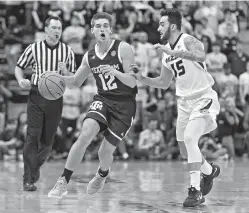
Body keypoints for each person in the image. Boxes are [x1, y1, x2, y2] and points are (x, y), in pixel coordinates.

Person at [130, 8, 220, 207]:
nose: (158, 27)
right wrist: (142, 78)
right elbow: (163, 82)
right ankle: (208, 171)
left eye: (161, 24)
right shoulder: (166, 54)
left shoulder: (187, 40)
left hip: (203, 97)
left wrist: (174, 52)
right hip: (184, 103)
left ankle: (195, 191)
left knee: (190, 139)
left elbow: (201, 55)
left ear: (172, 25)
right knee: (184, 149)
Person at [48, 12, 137, 198]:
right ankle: (63, 181)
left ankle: (102, 174)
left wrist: (115, 72)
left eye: (105, 25)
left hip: (124, 105)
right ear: (92, 31)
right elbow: (75, 82)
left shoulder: (124, 49)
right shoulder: (89, 57)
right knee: (85, 134)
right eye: (98, 26)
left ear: (111, 29)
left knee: (104, 152)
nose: (102, 28)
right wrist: (58, 76)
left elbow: (132, 82)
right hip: (103, 100)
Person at [14, 16, 75, 191]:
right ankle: (28, 179)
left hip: (56, 97)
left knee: (48, 140)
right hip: (36, 94)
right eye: (54, 28)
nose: (57, 31)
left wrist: (66, 72)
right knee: (32, 136)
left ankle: (33, 170)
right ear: (46, 29)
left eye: (60, 28)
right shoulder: (34, 48)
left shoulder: (67, 51)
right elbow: (19, 67)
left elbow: (73, 80)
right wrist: (20, 80)